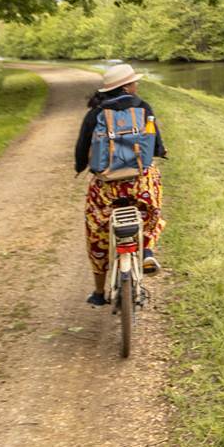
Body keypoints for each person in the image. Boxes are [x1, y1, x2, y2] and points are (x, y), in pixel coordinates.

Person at [74, 63, 168, 305]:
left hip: (107, 189)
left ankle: (98, 293)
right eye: (134, 82)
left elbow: (82, 148)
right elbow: (155, 142)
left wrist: (80, 167)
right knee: (152, 212)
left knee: (96, 232)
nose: (137, 85)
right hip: (139, 184)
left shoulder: (95, 114)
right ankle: (146, 250)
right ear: (127, 87)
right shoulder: (143, 107)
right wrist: (158, 152)